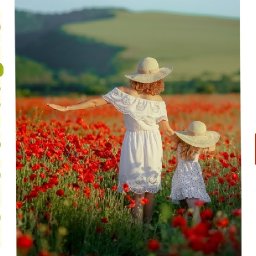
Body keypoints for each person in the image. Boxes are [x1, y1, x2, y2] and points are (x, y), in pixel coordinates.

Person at [47, 57, 174, 224]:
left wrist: (68, 107)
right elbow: (168, 130)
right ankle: (147, 228)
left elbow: (94, 102)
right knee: (150, 188)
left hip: (134, 142)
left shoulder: (125, 93)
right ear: (157, 79)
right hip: (153, 143)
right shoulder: (158, 101)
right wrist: (191, 140)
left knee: (138, 191)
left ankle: (136, 230)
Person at [169, 121, 220, 224]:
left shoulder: (179, 145)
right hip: (193, 176)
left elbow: (178, 161)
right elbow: (212, 147)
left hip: (181, 176)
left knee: (185, 206)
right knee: (194, 207)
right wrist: (206, 139)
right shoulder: (198, 148)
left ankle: (183, 228)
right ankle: (197, 228)